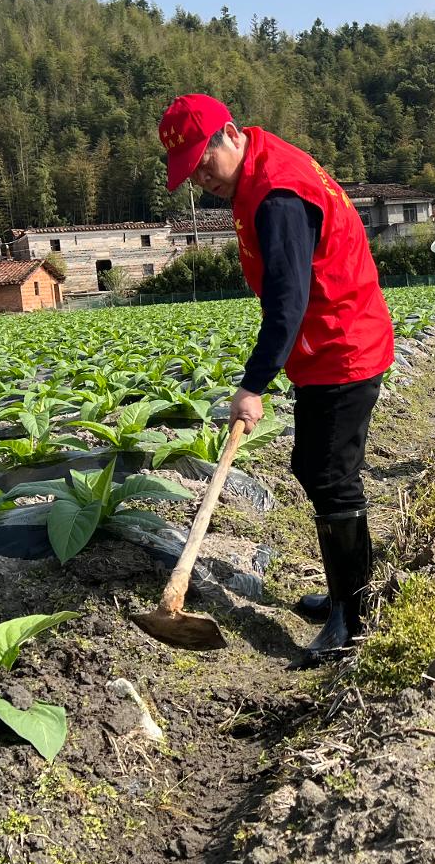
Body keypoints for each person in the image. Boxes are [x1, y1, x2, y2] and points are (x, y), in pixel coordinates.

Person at [156, 94, 395, 662]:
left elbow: (288, 302)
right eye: (189, 172)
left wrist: (254, 385)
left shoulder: (276, 193)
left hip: (343, 343)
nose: (200, 179)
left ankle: (353, 617)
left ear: (230, 135)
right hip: (324, 346)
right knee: (315, 466)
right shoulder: (257, 174)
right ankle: (349, 591)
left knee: (329, 473)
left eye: (202, 163)